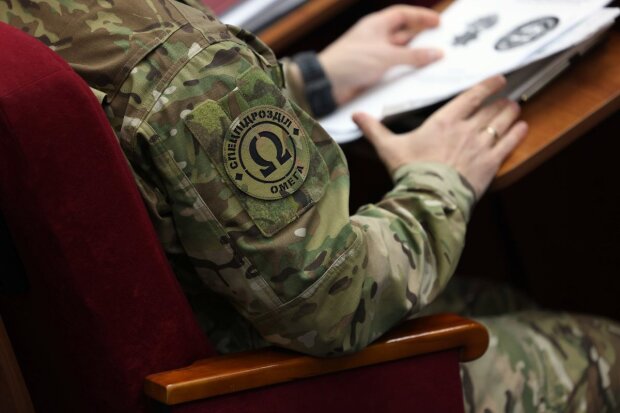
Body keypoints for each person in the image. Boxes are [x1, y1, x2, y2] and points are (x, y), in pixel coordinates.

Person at [1, 1, 618, 411]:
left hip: (138, 364)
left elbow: (147, 114)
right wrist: (440, 179)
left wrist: (312, 77)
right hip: (267, 382)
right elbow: (337, 305)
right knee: (607, 348)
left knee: (501, 300)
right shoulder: (178, 60)